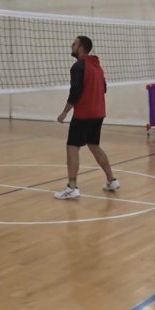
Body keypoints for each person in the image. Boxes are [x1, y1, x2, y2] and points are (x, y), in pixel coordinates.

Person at [54, 36, 119, 200]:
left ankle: (72, 187)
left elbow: (75, 92)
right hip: (98, 114)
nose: (71, 46)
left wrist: (64, 112)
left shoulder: (78, 66)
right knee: (94, 145)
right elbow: (104, 88)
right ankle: (112, 180)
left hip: (84, 114)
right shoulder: (97, 66)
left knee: (72, 147)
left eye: (74, 44)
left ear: (81, 47)